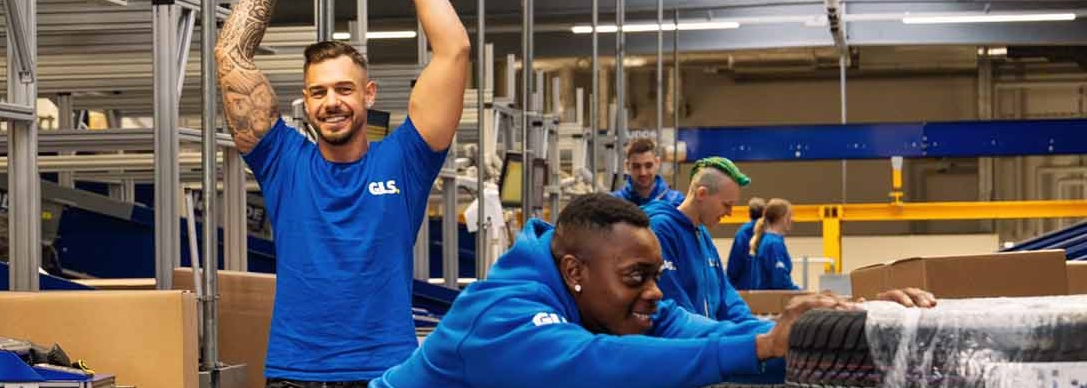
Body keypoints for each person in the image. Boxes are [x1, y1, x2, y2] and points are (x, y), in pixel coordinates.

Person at [215, 0, 470, 387]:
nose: (332, 102)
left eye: (344, 89)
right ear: (305, 101)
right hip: (295, 373)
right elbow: (230, 54)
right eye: (319, 92)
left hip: (385, 372)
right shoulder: (282, 162)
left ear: (368, 95)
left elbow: (454, 51)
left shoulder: (404, 161)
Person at [371, 194, 940, 388]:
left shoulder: (618, 304)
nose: (653, 295)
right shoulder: (500, 313)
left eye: (656, 276)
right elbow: (595, 364)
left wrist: (837, 328)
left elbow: (717, 334)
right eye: (635, 279)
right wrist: (763, 348)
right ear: (574, 272)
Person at [644, 157, 756, 322]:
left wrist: (752, 328)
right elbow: (674, 303)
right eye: (726, 205)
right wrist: (717, 336)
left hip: (706, 338)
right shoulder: (662, 231)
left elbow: (725, 292)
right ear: (701, 193)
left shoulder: (702, 233)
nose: (730, 213)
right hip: (686, 344)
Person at [614, 138, 685, 208]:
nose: (643, 173)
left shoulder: (676, 201)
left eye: (648, 166)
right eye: (636, 166)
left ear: (657, 163)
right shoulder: (615, 202)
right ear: (627, 166)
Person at [750, 199, 801, 290]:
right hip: (772, 300)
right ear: (782, 218)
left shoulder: (767, 240)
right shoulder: (774, 244)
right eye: (789, 216)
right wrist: (801, 293)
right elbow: (780, 280)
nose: (792, 220)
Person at [727, 197, 768, 288]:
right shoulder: (769, 234)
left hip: (744, 286)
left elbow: (734, 264)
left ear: (749, 213)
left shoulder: (742, 233)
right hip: (765, 289)